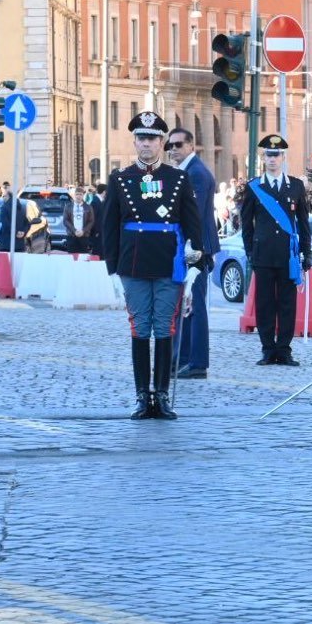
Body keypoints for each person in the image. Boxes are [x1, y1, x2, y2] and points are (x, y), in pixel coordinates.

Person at [100, 111, 204, 420]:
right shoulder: (121, 179)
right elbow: (109, 226)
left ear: (162, 143)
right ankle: (142, 396)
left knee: (164, 327)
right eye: (141, 138)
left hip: (167, 261)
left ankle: (161, 394)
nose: (147, 144)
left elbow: (192, 223)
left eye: (153, 139)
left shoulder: (178, 178)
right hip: (132, 263)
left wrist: (195, 259)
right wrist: (112, 269)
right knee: (140, 328)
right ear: (134, 141)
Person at [240, 133, 312, 367]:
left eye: (276, 155)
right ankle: (268, 349)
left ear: (283, 157)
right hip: (263, 255)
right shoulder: (254, 187)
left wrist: (306, 253)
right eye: (268, 155)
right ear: (263, 158)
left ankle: (284, 349)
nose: (272, 159)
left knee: (287, 304)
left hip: (287, 256)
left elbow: (303, 223)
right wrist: (250, 251)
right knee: (265, 304)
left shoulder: (296, 186)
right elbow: (246, 224)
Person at [167, 128, 218, 379]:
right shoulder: (186, 171)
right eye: (170, 146)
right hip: (188, 246)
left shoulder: (195, 173)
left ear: (191, 146)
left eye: (178, 145)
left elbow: (194, 214)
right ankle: (183, 358)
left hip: (196, 247)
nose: (173, 149)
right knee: (186, 305)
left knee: (195, 305)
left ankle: (198, 362)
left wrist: (191, 246)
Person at [62, 184, 100, 254]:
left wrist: (83, 231)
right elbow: (65, 220)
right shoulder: (68, 206)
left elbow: (91, 221)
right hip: (72, 236)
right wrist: (74, 231)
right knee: (71, 258)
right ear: (74, 195)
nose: (78, 196)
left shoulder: (88, 207)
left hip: (84, 237)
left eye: (80, 194)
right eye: (77, 194)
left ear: (83, 195)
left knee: (83, 258)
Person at [0, 185, 31, 252]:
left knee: (7, 262)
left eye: (3, 196)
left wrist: (16, 232)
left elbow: (6, 225)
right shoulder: (21, 208)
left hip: (7, 244)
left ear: (8, 196)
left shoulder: (4, 208)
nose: (3, 198)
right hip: (19, 244)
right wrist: (23, 232)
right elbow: (27, 223)